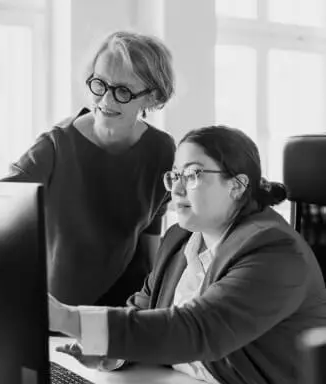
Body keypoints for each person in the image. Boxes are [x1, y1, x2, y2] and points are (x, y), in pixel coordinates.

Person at [48, 125, 326, 384]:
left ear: (237, 185)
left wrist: (67, 318)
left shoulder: (274, 252)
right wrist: (109, 353)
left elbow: (195, 330)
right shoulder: (179, 239)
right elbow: (145, 314)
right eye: (175, 175)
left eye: (193, 175)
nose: (177, 189)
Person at [1, 31, 176, 306]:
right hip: (62, 306)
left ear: (151, 97)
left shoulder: (162, 150)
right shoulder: (57, 145)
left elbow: (151, 229)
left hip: (129, 308)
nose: (106, 100)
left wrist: (155, 303)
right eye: (100, 84)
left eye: (123, 91)